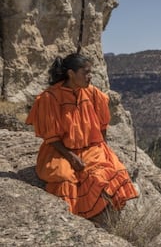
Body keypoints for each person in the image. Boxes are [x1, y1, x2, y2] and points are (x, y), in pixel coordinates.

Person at [26, 53, 139, 219]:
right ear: (71, 74)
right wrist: (72, 157)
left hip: (90, 148)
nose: (90, 76)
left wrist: (103, 148)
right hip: (59, 151)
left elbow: (102, 124)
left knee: (106, 173)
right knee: (64, 179)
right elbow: (51, 137)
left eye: (90, 72)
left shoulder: (92, 93)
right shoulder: (50, 98)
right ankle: (72, 221)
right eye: (85, 72)